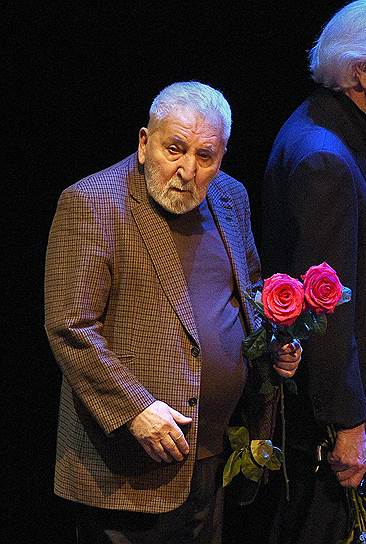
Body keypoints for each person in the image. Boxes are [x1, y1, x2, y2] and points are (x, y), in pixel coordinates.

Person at [44, 81, 301, 544]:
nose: (187, 170)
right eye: (175, 149)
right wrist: (135, 409)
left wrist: (276, 345)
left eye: (205, 156)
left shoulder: (230, 197)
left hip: (214, 455)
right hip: (128, 467)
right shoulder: (92, 202)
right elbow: (69, 325)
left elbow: (251, 294)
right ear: (145, 143)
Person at [261, 1, 366, 542]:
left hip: (365, 417)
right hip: (343, 432)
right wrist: (348, 423)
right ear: (362, 73)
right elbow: (324, 311)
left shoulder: (340, 129)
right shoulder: (324, 157)